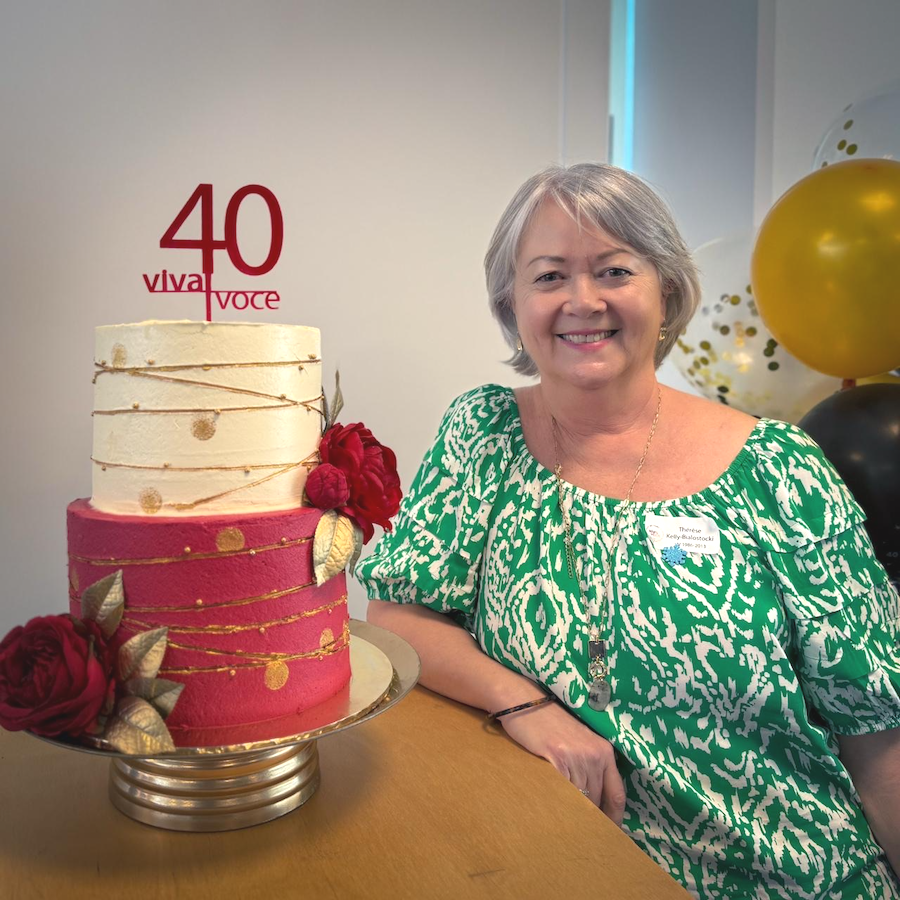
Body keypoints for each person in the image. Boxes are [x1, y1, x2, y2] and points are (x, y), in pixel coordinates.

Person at [355, 163, 900, 899]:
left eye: (613, 270)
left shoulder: (780, 470)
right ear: (511, 303)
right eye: (549, 277)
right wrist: (527, 707)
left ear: (666, 291)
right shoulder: (484, 435)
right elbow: (400, 615)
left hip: (787, 874)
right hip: (552, 869)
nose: (583, 301)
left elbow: (876, 733)